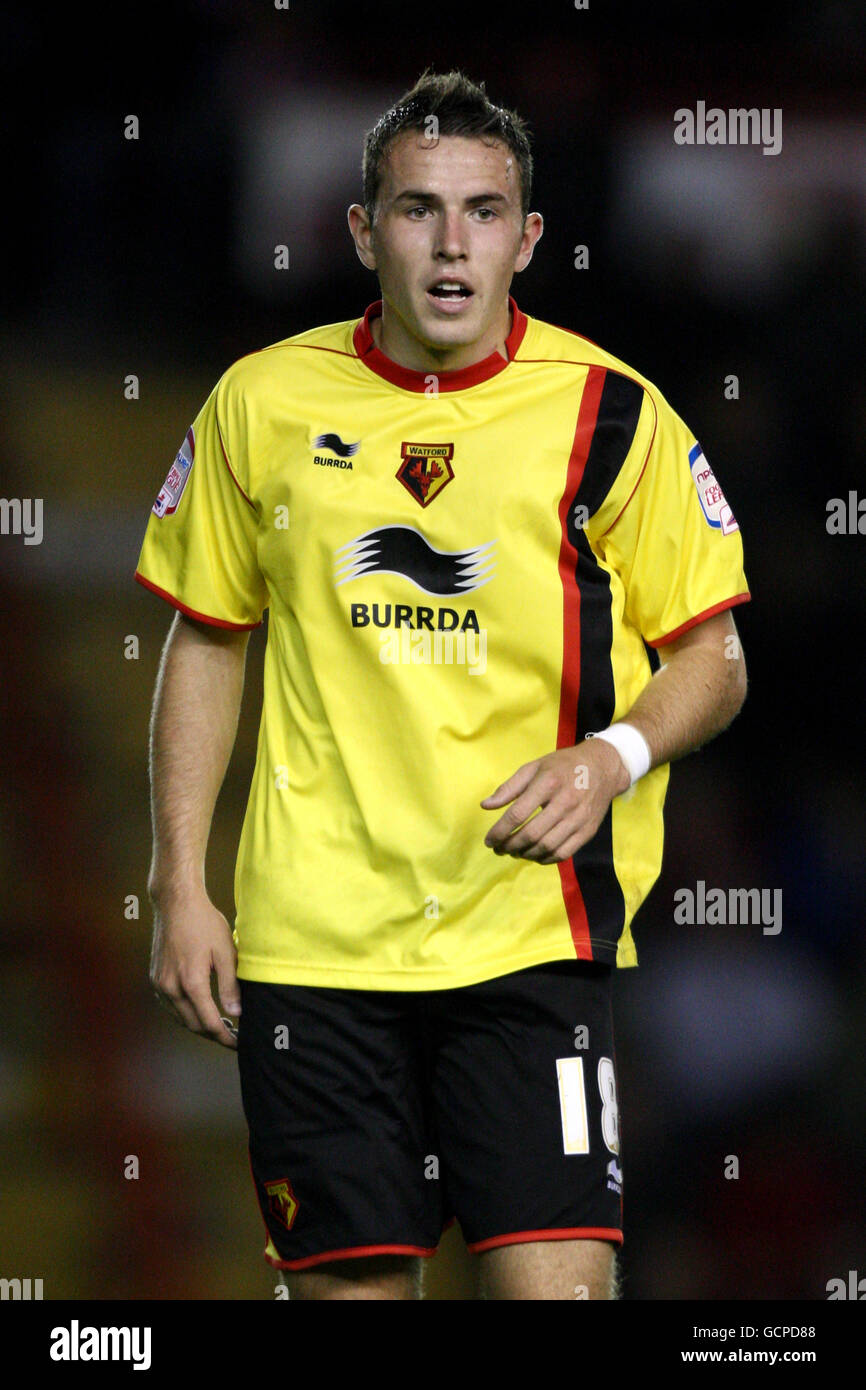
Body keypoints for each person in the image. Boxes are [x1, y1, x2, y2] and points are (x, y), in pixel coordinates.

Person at [136, 69, 750, 1301]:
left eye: (481, 212)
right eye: (417, 210)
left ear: (525, 238)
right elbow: (208, 640)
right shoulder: (259, 401)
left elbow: (714, 658)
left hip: (528, 935)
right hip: (315, 944)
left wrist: (607, 759)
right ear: (363, 231)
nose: (450, 243)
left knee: (559, 1292)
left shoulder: (612, 415)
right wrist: (177, 879)